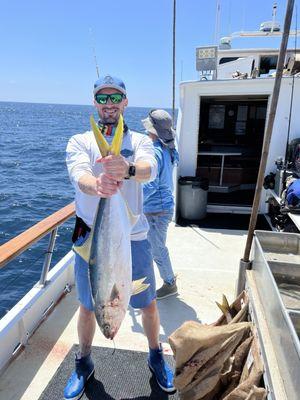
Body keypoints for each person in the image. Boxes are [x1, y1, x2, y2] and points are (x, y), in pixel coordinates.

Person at [64, 75, 175, 399]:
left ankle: (156, 356)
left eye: (116, 98)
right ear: (95, 102)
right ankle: (84, 362)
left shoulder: (141, 140)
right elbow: (79, 173)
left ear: (125, 102)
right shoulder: (80, 141)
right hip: (88, 231)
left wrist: (125, 169)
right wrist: (96, 185)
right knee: (87, 306)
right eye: (103, 98)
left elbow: (149, 168)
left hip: (134, 233)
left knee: (149, 304)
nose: (109, 104)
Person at [142, 109, 179, 300]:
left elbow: (150, 185)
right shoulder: (168, 147)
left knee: (157, 248)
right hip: (160, 207)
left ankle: (170, 283)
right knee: (152, 247)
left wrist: (130, 203)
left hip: (156, 210)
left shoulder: (155, 151)